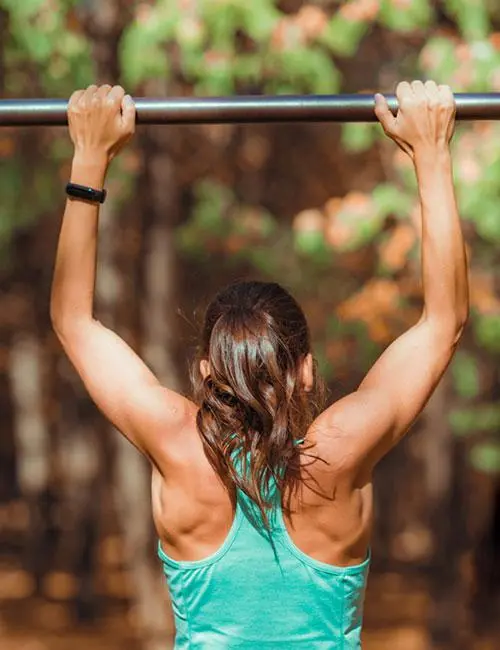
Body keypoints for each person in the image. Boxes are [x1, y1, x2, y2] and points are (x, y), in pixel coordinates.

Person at [50, 80, 468, 649]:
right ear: (307, 371)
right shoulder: (338, 455)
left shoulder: (175, 444)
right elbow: (444, 322)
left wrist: (90, 157)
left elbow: (74, 321)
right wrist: (432, 154)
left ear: (204, 372)